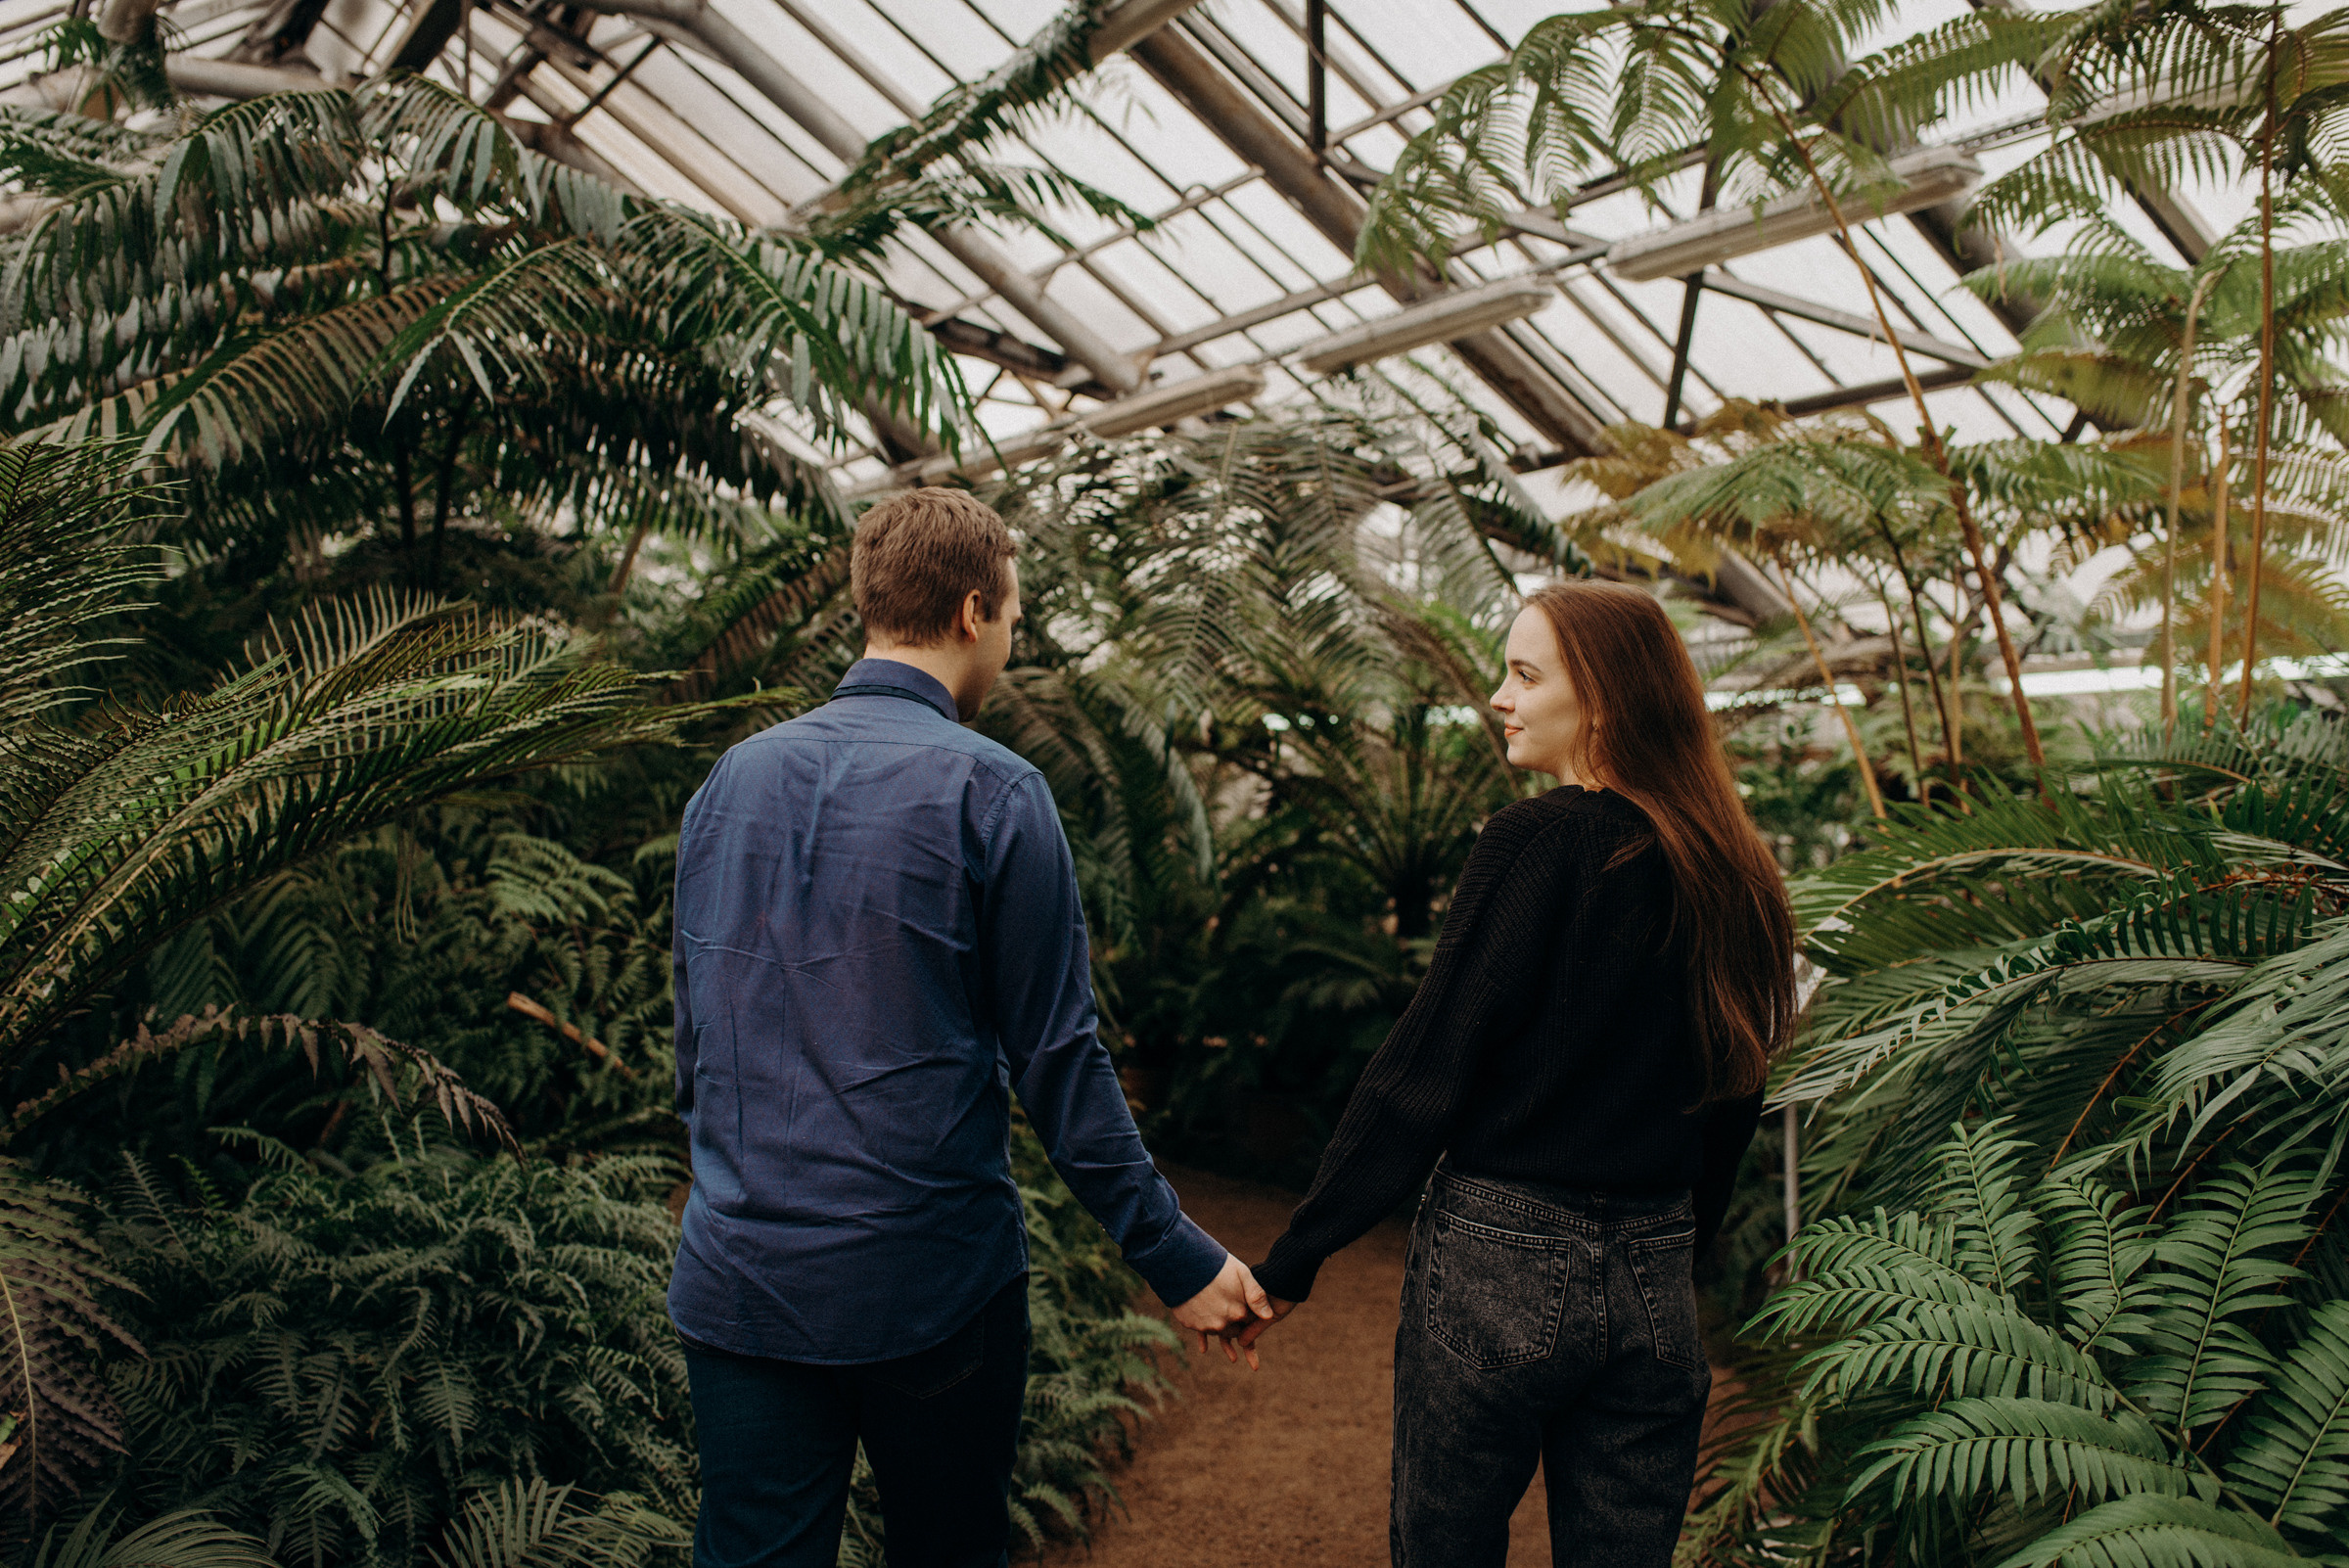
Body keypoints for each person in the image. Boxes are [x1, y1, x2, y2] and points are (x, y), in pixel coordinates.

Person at [668, 487, 1273, 1568]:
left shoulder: (731, 780)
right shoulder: (995, 791)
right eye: (1013, 618)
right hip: (930, 1285)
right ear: (969, 612)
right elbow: (1059, 1064)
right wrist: (1173, 1255)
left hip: (741, 1278)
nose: (1010, 642)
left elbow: (699, 1036)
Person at [1238, 579, 1797, 1568]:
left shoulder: (1535, 842)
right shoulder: (1736, 870)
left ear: (1607, 703)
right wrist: (1673, 1248)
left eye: (1524, 674)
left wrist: (1298, 1255)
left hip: (1498, 1253)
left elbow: (1426, 1066)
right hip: (1655, 1263)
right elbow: (1735, 1097)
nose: (1499, 696)